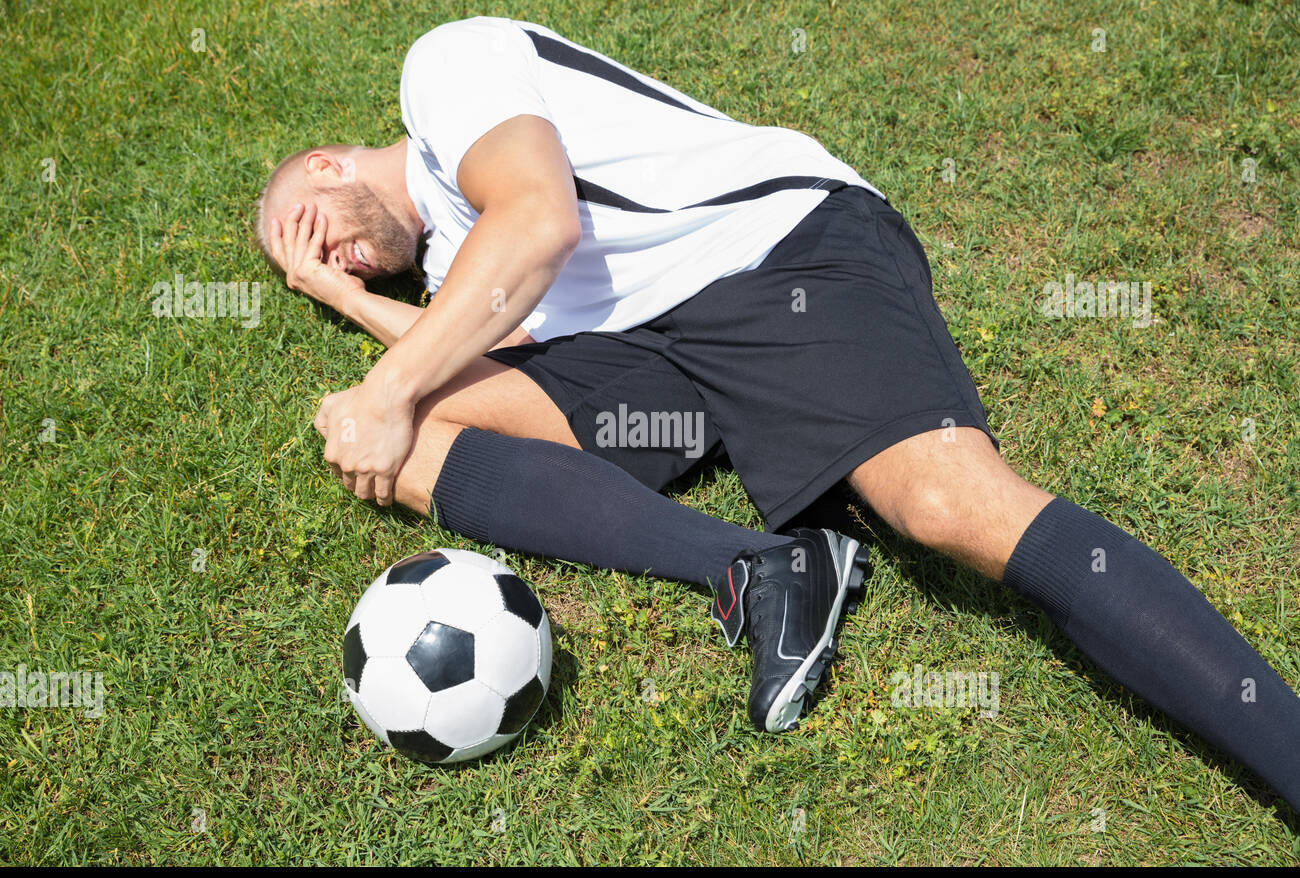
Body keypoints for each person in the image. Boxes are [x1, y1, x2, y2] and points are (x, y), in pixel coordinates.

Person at [254, 15, 1299, 811]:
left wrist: (384, 389)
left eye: (310, 232)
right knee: (411, 447)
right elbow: (496, 347)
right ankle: (757, 564)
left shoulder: (445, 71)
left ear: (325, 165)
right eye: (305, 265)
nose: (328, 256)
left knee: (942, 505)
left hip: (778, 256)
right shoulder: (442, 260)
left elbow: (537, 223)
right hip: (654, 356)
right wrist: (347, 303)